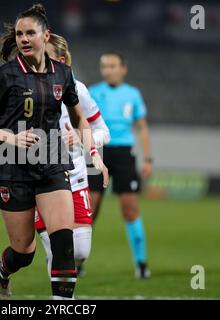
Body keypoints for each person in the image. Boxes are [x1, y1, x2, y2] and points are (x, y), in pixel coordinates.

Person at [0, 4, 108, 300]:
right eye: (19, 33)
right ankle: (3, 272)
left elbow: (79, 117)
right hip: (12, 168)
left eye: (30, 32)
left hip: (52, 165)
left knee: (64, 243)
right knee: (24, 251)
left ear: (45, 36)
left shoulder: (63, 73)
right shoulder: (5, 75)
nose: (23, 38)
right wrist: (10, 136)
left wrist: (93, 153)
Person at [34, 33, 110, 278]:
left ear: (63, 61)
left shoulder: (78, 90)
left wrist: (81, 138)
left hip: (76, 176)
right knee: (61, 250)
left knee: (80, 252)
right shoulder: (27, 88)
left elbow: (103, 132)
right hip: (41, 177)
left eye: (46, 58)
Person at [88, 51, 153, 279]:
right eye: (104, 66)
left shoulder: (133, 94)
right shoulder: (93, 92)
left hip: (125, 153)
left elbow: (142, 126)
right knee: (90, 209)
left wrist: (147, 158)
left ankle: (141, 263)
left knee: (130, 208)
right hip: (98, 152)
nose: (107, 70)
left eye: (112, 66)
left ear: (123, 68)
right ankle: (77, 261)